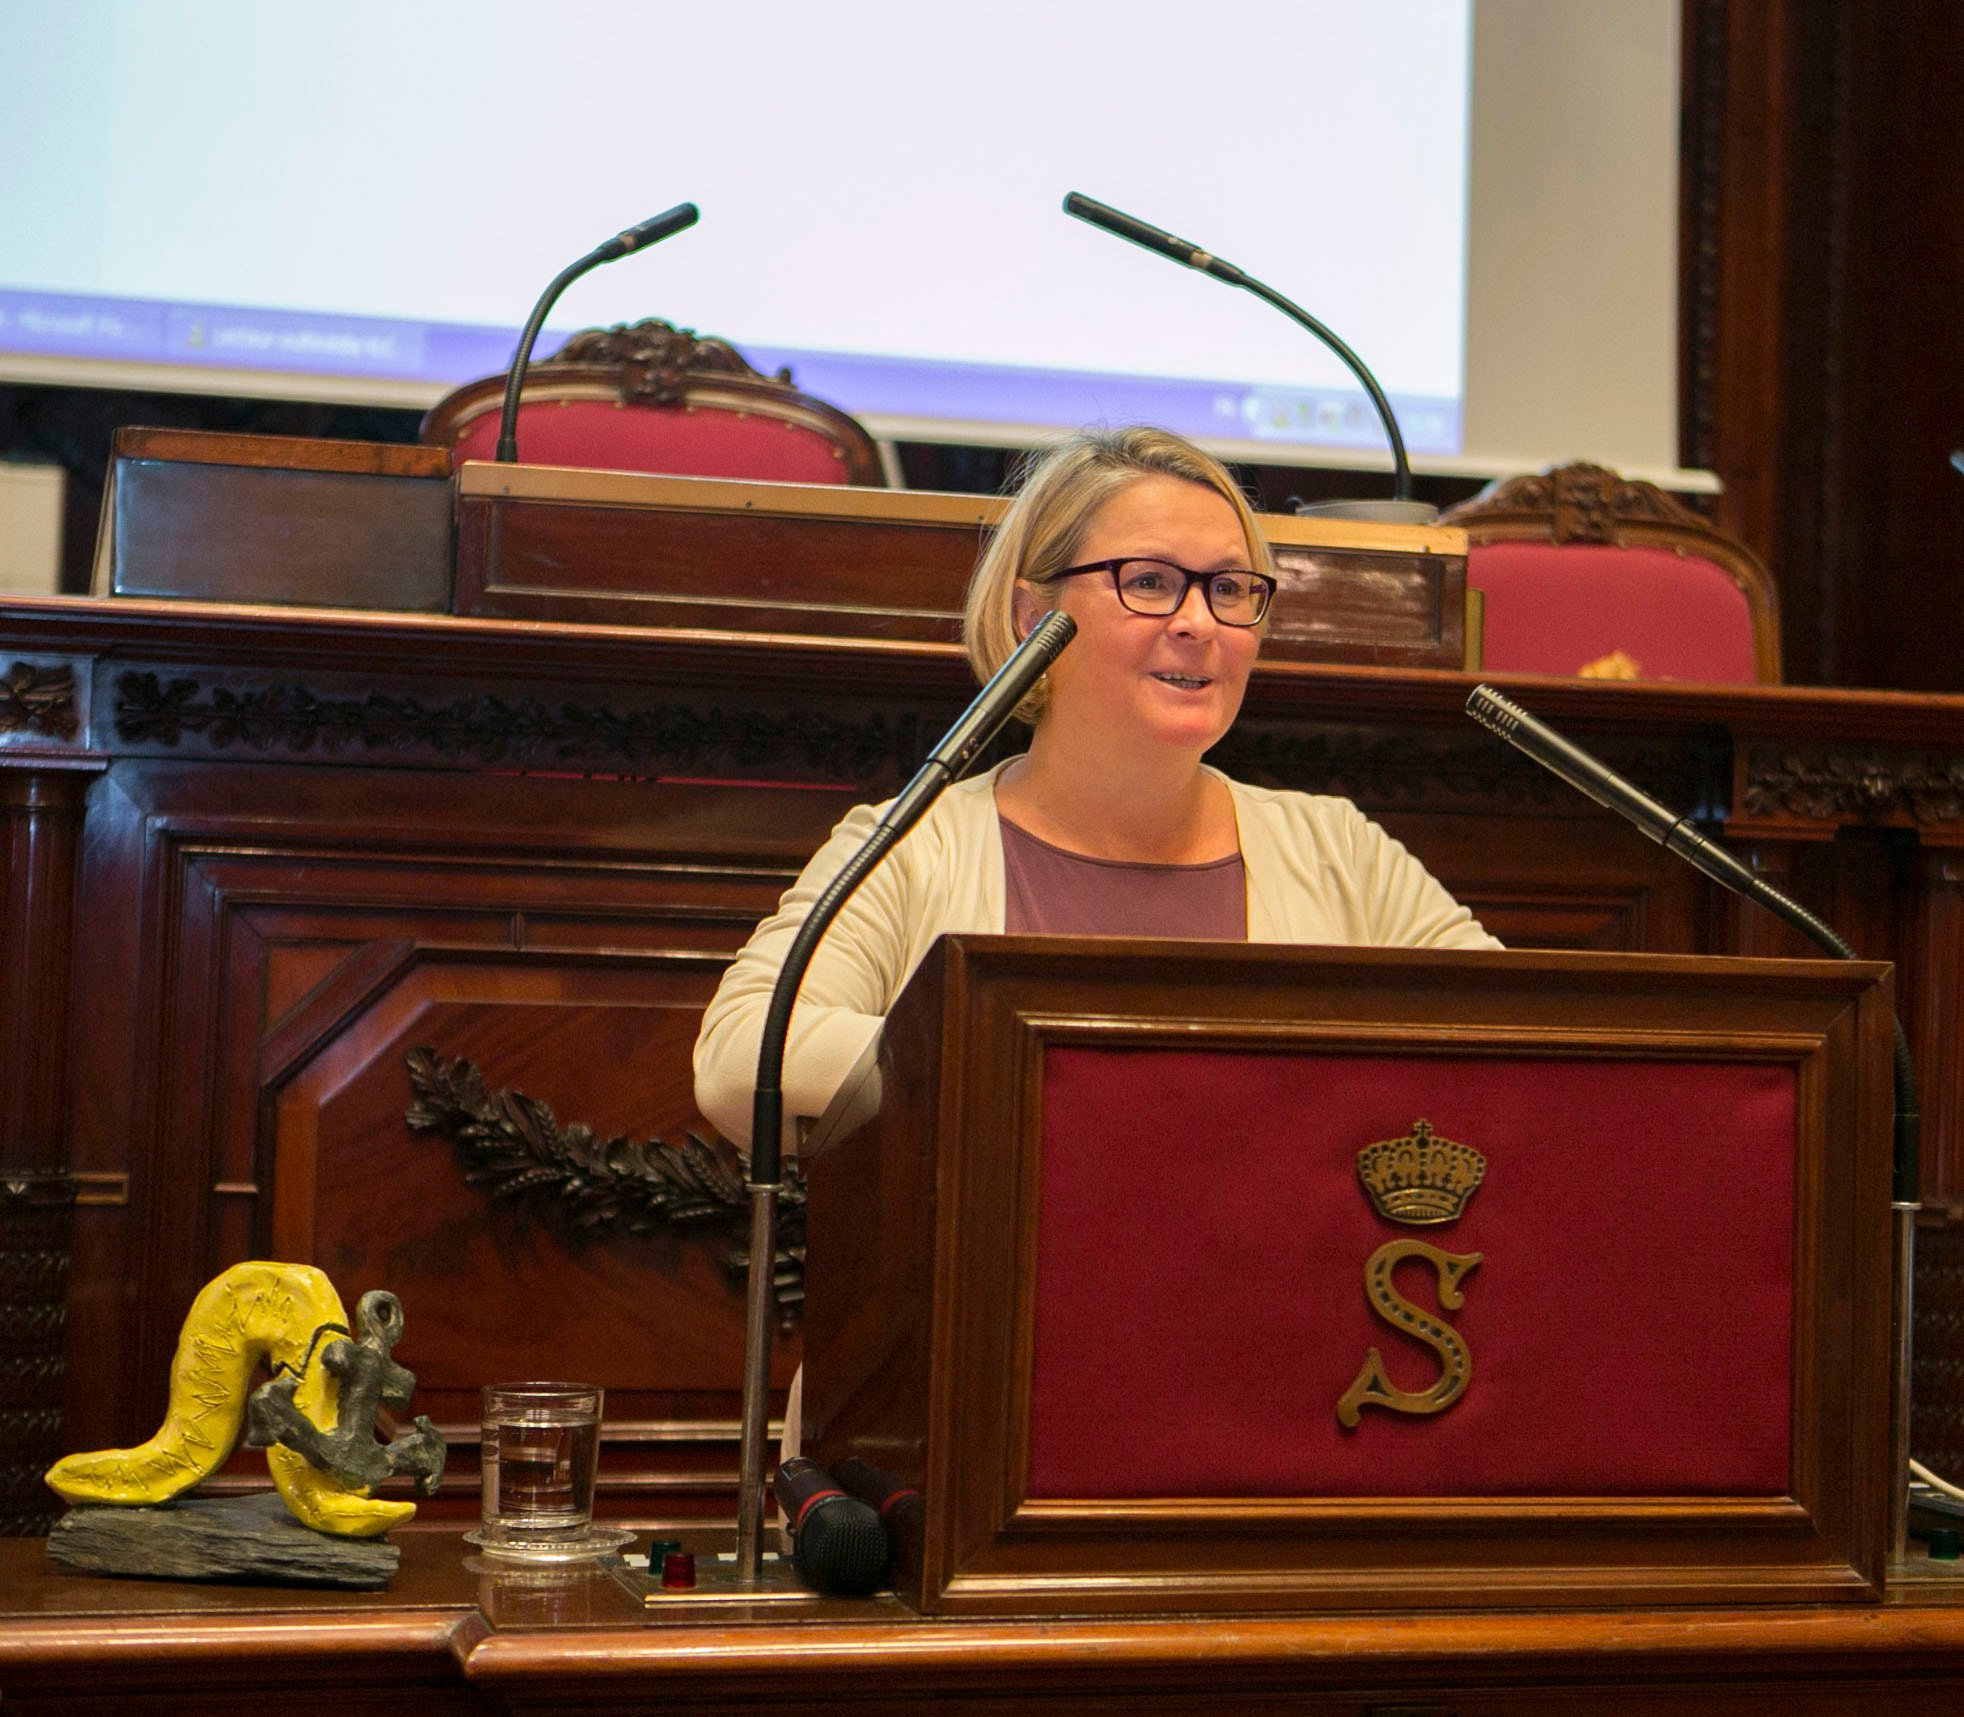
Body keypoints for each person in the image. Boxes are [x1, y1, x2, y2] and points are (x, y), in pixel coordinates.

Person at [693, 426, 1499, 1149]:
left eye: (1229, 588)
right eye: (1148, 581)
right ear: (1028, 616)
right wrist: (1055, 1069)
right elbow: (743, 1056)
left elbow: (1526, 1048)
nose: (1198, 621)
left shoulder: (1334, 848)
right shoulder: (913, 843)